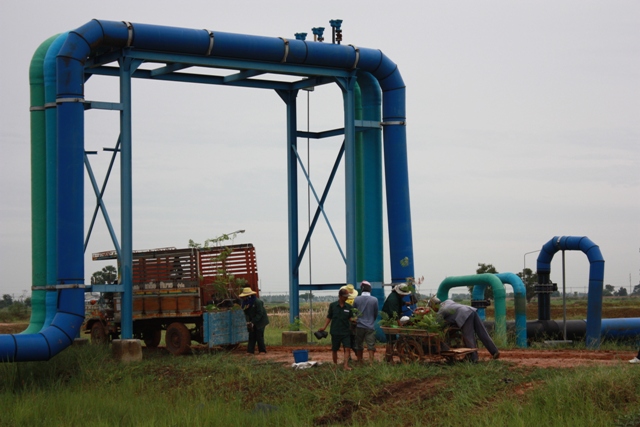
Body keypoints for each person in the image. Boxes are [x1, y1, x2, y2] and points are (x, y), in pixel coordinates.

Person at [429, 296, 500, 362]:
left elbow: (437, 325)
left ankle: (474, 358)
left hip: (464, 315)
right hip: (471, 310)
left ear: (434, 305)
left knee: (468, 336)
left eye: (432, 308)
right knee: (482, 332)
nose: (433, 310)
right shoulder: (447, 302)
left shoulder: (441, 311)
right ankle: (494, 351)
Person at [318, 288, 355, 370]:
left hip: (346, 331)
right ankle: (335, 365)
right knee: (334, 349)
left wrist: (354, 320)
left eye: (347, 296)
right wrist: (324, 327)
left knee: (347, 348)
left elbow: (350, 318)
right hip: (335, 331)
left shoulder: (349, 307)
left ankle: (345, 365)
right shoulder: (333, 305)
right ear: (340, 296)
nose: (347, 298)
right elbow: (329, 317)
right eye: (345, 296)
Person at [352, 280, 379, 364]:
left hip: (359, 325)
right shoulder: (374, 300)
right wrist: (371, 321)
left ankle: (360, 361)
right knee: (371, 345)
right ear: (370, 289)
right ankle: (371, 362)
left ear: (362, 289)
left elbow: (354, 311)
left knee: (359, 344)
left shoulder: (357, 299)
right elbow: (375, 313)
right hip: (370, 326)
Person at [239, 287, 269, 355]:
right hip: (252, 320)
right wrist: (248, 322)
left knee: (259, 335)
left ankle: (262, 351)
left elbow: (260, 313)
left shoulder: (258, 302)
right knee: (251, 335)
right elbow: (246, 313)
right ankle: (250, 351)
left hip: (261, 321)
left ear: (249, 296)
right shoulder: (245, 304)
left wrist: (253, 322)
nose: (243, 298)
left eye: (244, 297)